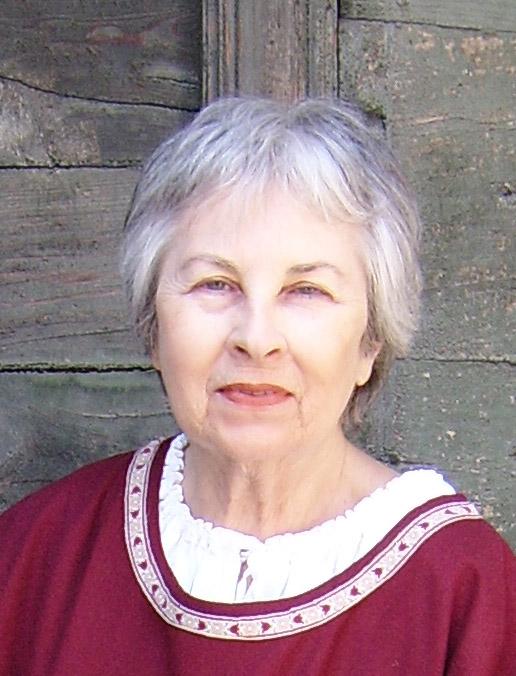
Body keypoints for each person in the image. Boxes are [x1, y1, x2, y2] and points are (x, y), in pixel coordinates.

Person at [0, 97, 514, 675]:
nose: (256, 338)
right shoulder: (33, 559)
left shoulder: (464, 592)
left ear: (370, 342)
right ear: (154, 327)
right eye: (216, 284)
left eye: (306, 291)